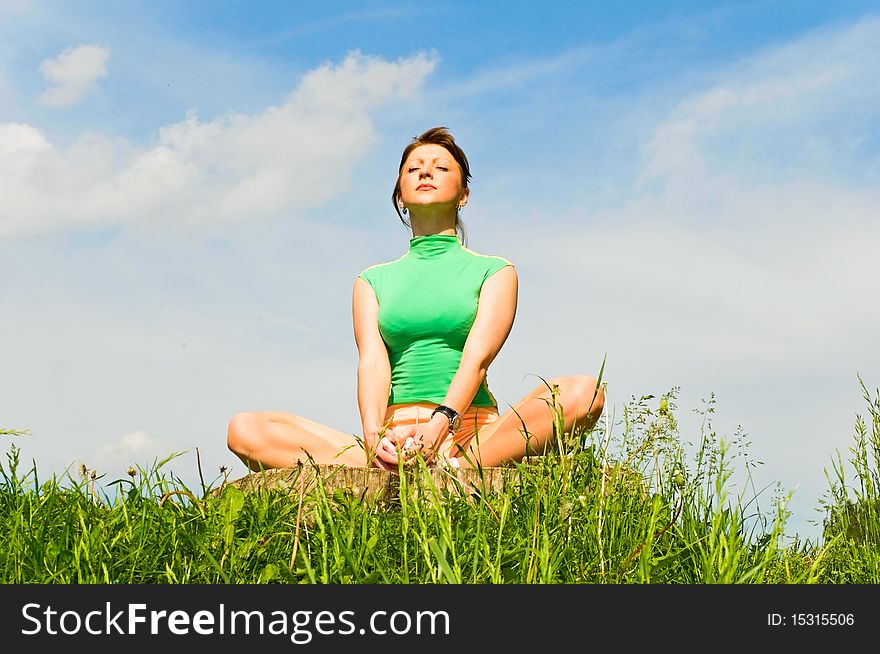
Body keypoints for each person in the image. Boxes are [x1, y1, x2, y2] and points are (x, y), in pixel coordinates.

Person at [227, 126, 605, 472]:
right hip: (393, 440)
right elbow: (373, 363)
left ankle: (465, 467)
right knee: (244, 429)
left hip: (470, 434)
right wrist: (375, 435)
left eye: (440, 167)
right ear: (400, 196)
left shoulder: (495, 271)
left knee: (584, 393)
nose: (425, 172)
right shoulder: (372, 280)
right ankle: (385, 467)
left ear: (464, 194)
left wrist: (442, 423)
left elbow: (477, 358)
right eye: (414, 169)